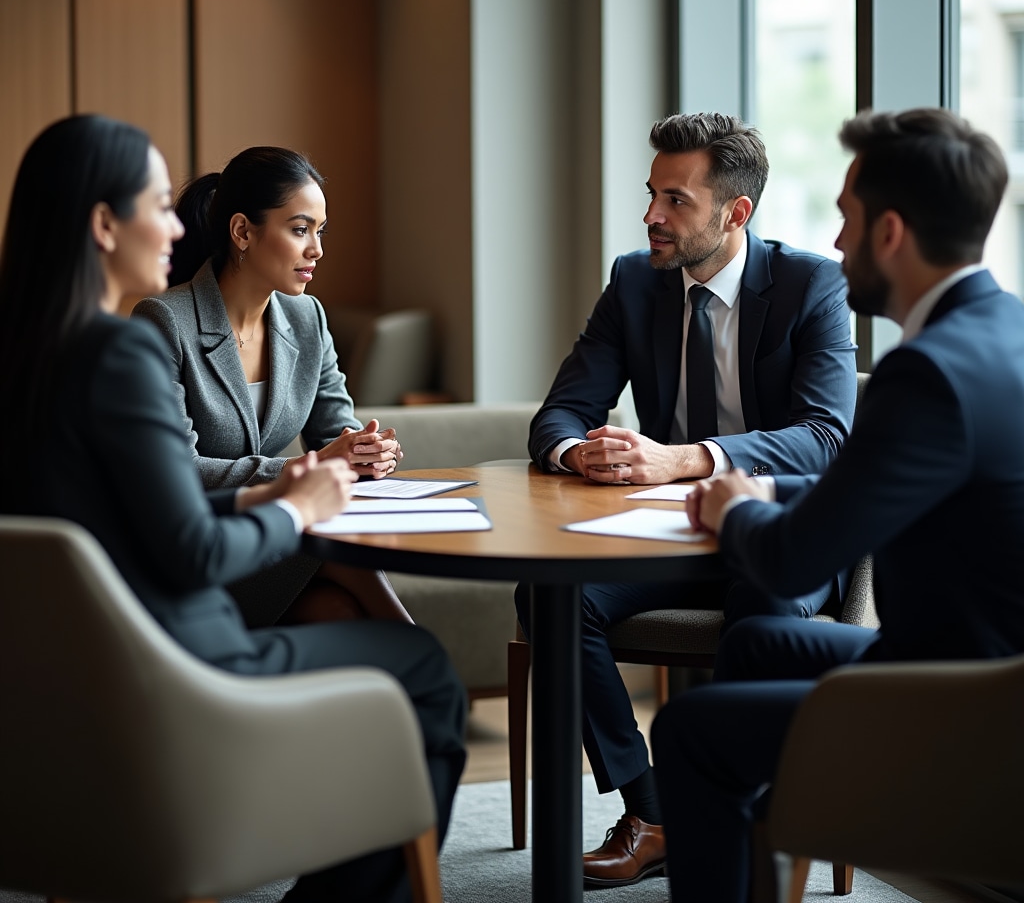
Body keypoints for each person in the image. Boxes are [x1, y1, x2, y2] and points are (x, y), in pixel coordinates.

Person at [0, 115, 466, 903]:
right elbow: (192, 553)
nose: (182, 224)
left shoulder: (28, 357)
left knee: (355, 630)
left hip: (80, 679)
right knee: (425, 674)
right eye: (160, 202)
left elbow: (146, 508)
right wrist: (301, 499)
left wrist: (282, 486)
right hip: (185, 662)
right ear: (104, 224)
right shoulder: (129, 348)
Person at [651, 106, 1024, 903]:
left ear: (891, 232)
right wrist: (764, 491)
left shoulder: (925, 372)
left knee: (686, 732)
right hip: (989, 669)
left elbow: (793, 557)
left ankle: (833, 811)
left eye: (848, 220)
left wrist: (733, 511)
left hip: (964, 711)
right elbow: (885, 490)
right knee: (757, 649)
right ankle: (788, 843)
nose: (840, 242)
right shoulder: (1006, 334)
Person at [517, 111, 857, 888]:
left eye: (676, 201)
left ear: (736, 213)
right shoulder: (635, 281)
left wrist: (687, 459)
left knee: (762, 615)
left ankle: (750, 819)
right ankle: (656, 810)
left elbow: (826, 437)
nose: (651, 217)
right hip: (664, 536)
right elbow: (559, 414)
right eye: (651, 195)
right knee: (550, 594)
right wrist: (584, 451)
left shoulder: (811, 286)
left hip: (779, 535)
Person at [133, 148, 410, 627]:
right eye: (301, 229)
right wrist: (309, 467)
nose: (317, 250)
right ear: (242, 231)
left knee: (337, 613)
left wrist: (364, 450)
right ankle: (428, 667)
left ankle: (416, 678)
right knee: (339, 556)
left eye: (320, 231)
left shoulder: (308, 317)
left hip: (275, 539)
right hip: (205, 549)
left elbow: (334, 430)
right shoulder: (164, 321)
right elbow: (179, 472)